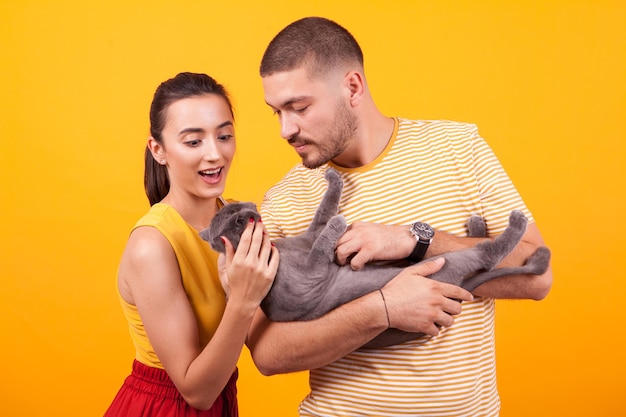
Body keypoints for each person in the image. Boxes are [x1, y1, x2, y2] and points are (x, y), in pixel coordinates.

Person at [246, 17, 553, 416]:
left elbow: (537, 276)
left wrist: (417, 240)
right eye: (277, 112)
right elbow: (267, 354)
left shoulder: (457, 147)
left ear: (352, 87)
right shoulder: (285, 200)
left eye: (299, 107)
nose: (286, 129)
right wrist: (381, 309)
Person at [104, 72, 279, 417]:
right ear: (159, 150)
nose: (215, 154)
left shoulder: (234, 219)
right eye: (193, 142)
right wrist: (243, 298)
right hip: (164, 408)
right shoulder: (151, 245)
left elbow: (266, 339)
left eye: (224, 136)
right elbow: (196, 391)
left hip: (223, 402)